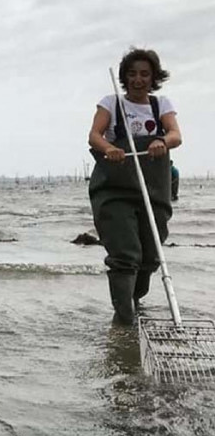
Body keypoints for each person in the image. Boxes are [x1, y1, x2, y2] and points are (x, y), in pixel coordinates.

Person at [88, 48, 182, 325]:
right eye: (132, 74)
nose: (138, 79)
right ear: (124, 77)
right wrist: (109, 148)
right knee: (125, 253)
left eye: (144, 74)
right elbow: (94, 135)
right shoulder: (111, 103)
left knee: (151, 254)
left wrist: (162, 142)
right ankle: (124, 319)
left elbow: (175, 134)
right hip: (115, 188)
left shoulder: (160, 105)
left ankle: (135, 300)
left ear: (153, 77)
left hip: (154, 189)